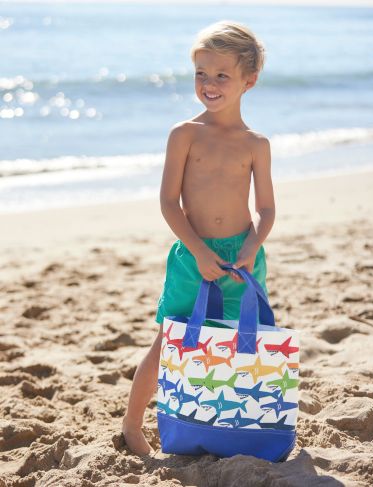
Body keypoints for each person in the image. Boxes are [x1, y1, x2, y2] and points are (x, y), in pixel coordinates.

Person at [122, 20, 275, 455]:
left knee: (239, 341)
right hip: (194, 256)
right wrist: (198, 249)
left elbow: (266, 208)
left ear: (250, 80)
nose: (208, 84)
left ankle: (231, 424)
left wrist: (252, 245)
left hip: (242, 257)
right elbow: (170, 202)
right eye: (200, 74)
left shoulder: (256, 144)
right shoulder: (185, 134)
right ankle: (133, 425)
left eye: (221, 75)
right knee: (170, 340)